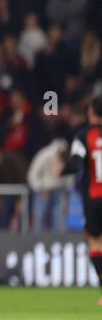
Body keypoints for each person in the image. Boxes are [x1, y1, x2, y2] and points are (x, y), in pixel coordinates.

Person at [64, 95, 102, 305]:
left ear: (92, 113)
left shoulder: (83, 136)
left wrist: (61, 169)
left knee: (96, 242)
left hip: (94, 198)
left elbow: (76, 163)